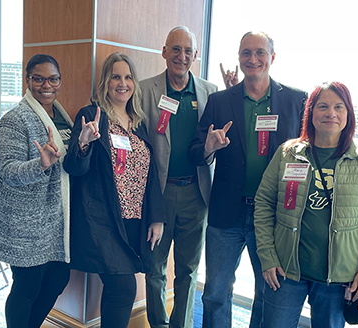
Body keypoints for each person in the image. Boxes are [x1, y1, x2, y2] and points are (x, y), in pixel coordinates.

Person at [188, 31, 308, 328]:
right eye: (245, 53)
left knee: (268, 293)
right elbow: (194, 153)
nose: (252, 59)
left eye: (259, 52)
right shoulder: (219, 101)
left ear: (272, 57)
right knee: (215, 293)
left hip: (273, 215)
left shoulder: (296, 100)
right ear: (239, 58)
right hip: (227, 212)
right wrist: (208, 148)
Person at [254, 81, 358, 328]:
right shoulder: (288, 153)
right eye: (323, 106)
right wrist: (267, 256)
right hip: (285, 272)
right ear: (311, 113)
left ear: (349, 113)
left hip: (338, 278)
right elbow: (263, 203)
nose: (331, 113)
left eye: (339, 107)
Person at [64, 52, 165, 328]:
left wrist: (157, 217)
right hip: (102, 221)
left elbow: (151, 172)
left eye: (128, 77)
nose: (123, 83)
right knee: (124, 288)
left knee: (116, 289)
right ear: (106, 82)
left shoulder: (139, 120)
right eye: (116, 77)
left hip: (134, 221)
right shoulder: (91, 115)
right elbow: (74, 167)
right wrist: (83, 143)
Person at [140, 26, 217, 328]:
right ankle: (158, 324)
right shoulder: (146, 90)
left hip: (196, 195)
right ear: (164, 51)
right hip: (158, 194)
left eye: (188, 51)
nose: (181, 56)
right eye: (175, 49)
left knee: (188, 269)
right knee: (154, 267)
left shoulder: (210, 93)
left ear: (195, 55)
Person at [0, 54, 73, 328]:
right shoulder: (15, 119)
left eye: (52, 79)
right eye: (38, 78)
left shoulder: (61, 115)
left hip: (54, 218)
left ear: (60, 81)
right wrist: (41, 164)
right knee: (27, 288)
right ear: (28, 80)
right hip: (24, 222)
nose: (46, 85)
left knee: (58, 278)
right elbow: (9, 172)